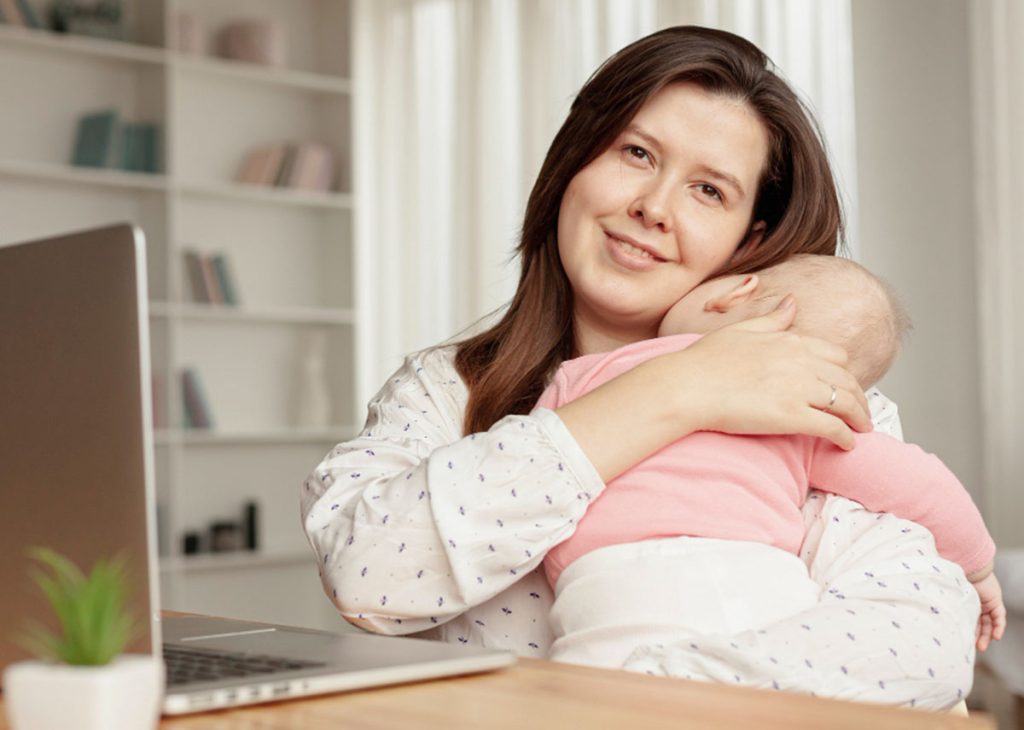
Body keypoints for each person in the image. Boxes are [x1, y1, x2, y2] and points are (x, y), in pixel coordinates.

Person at [301, 26, 980, 708]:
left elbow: (918, 646)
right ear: (575, 161)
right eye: (636, 153)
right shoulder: (449, 391)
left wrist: (615, 698)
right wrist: (676, 388)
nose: (652, 208)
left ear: (751, 239)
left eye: (709, 191)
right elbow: (367, 579)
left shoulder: (814, 394)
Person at [539, 254, 1005, 670]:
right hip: (759, 582)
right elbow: (918, 484)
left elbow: (535, 464)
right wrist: (978, 567)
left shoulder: (587, 374)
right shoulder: (805, 415)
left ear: (733, 291)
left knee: (596, 699)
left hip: (612, 583)